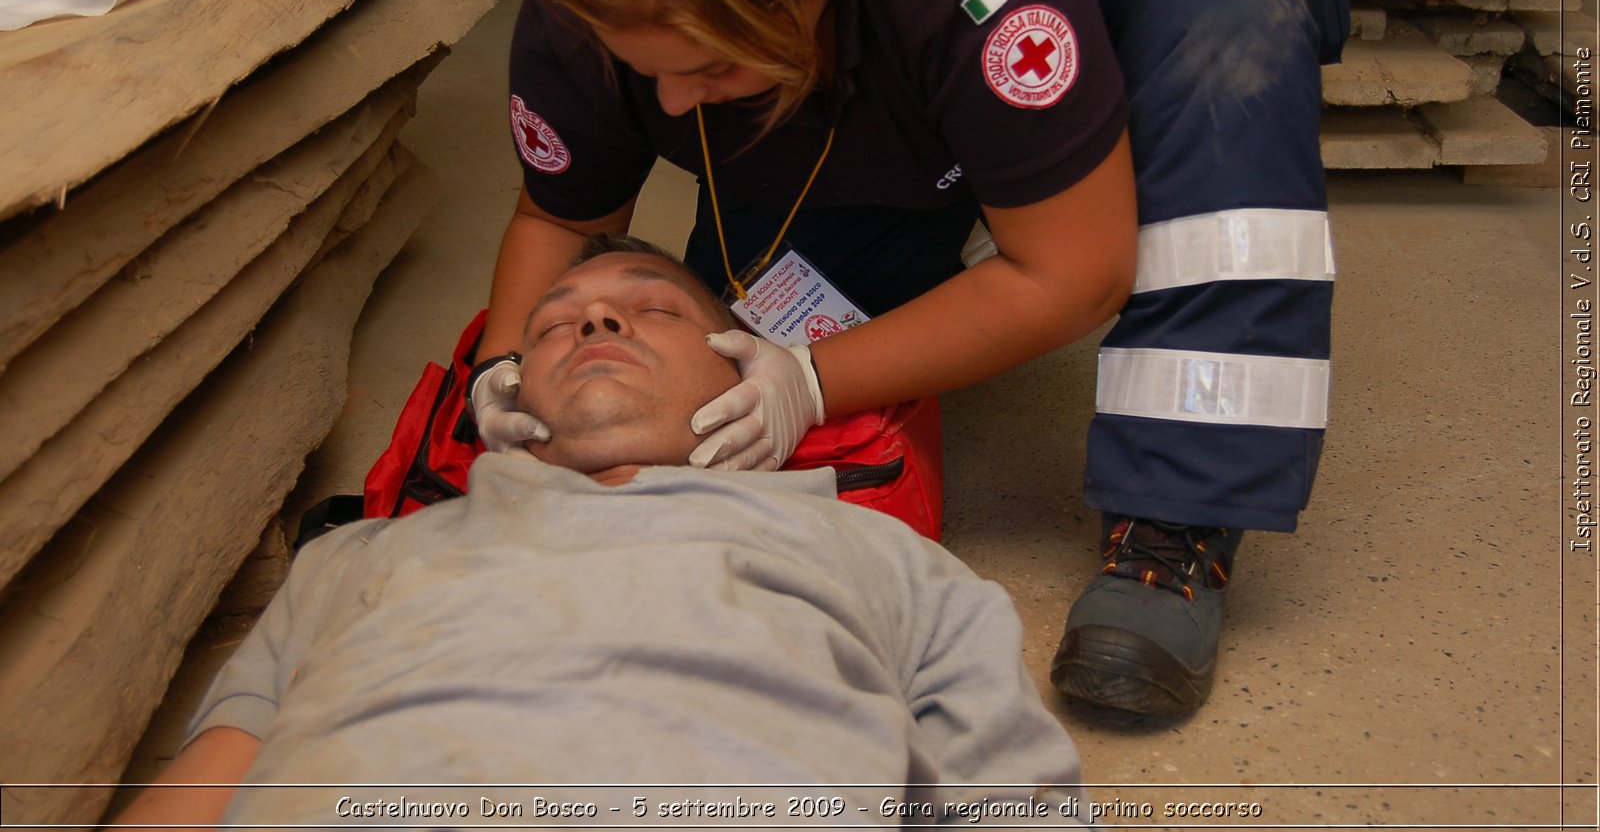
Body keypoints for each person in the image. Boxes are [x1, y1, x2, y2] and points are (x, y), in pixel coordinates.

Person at [471, 0, 1348, 717]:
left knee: (1225, 34)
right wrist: (498, 368)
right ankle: (957, 176)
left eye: (709, 67)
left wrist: (809, 381)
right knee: (765, 314)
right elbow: (561, 215)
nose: (673, 105)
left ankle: (1177, 521)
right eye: (650, 74)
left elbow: (1076, 274)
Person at [114, 236, 1094, 828]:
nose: (592, 324)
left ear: (745, 370)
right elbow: (206, 785)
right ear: (512, 394)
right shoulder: (356, 556)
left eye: (651, 309)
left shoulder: (892, 566)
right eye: (552, 327)